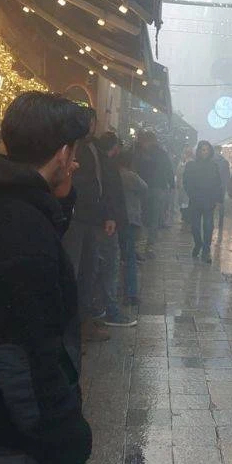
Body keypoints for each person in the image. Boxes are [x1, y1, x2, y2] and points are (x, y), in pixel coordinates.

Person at [0, 91, 95, 464]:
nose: (76, 163)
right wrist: (65, 440)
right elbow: (22, 359)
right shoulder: (19, 231)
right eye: (74, 153)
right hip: (15, 442)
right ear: (62, 155)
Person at [85, 132, 132, 329]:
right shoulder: (101, 161)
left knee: (96, 264)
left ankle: (96, 307)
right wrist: (111, 216)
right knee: (109, 263)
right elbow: (107, 192)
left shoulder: (95, 156)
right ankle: (109, 309)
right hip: (105, 221)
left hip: (99, 219)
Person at [134, 131, 174, 259]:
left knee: (141, 215)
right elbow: (169, 169)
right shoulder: (162, 153)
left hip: (143, 188)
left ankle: (138, 245)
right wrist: (171, 185)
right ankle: (149, 246)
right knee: (153, 218)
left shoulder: (140, 152)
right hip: (157, 188)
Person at [115, 150, 148, 307]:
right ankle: (131, 293)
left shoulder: (112, 173)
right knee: (129, 257)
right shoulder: (130, 175)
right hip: (130, 218)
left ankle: (115, 290)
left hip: (115, 219)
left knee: (117, 255)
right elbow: (144, 188)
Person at [182, 141, 223, 262]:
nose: (204, 152)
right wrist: (192, 194)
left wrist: (217, 198)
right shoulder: (191, 165)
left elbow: (218, 183)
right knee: (195, 226)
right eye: (202, 149)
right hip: (195, 200)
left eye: (207, 150)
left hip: (209, 200)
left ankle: (206, 250)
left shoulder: (213, 166)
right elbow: (186, 182)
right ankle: (198, 243)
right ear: (198, 151)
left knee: (208, 226)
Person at [214, 145, 231, 237]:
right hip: (221, 186)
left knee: (211, 204)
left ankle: (211, 221)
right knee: (221, 204)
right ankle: (220, 221)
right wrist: (226, 185)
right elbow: (227, 176)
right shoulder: (224, 162)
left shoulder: (210, 160)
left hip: (211, 186)